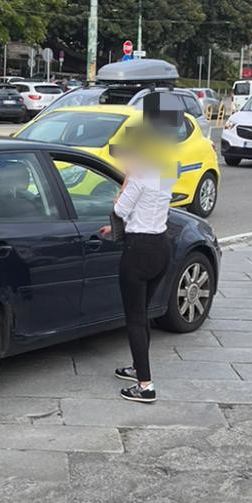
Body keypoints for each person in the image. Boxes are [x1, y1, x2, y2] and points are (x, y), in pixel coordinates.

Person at [99, 137, 172, 404]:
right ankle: (136, 367)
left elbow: (119, 208)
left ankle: (145, 385)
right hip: (161, 247)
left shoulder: (139, 177)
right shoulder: (163, 175)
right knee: (143, 314)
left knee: (135, 318)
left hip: (138, 251)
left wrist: (128, 179)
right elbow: (147, 211)